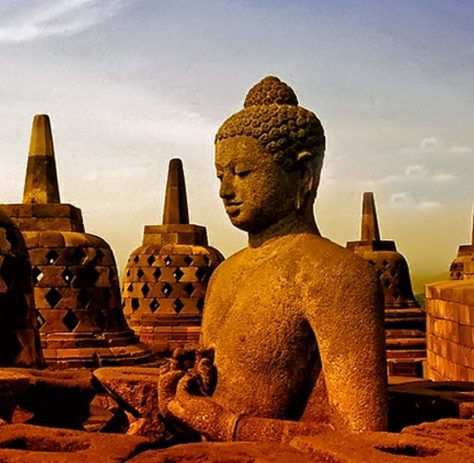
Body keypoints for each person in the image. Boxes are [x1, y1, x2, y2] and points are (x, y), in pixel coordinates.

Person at [158, 76, 388, 442]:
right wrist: (183, 396)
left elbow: (362, 440)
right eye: (220, 175)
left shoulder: (335, 275)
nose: (225, 190)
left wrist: (226, 425)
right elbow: (212, 401)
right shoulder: (223, 273)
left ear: (303, 174)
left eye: (243, 173)